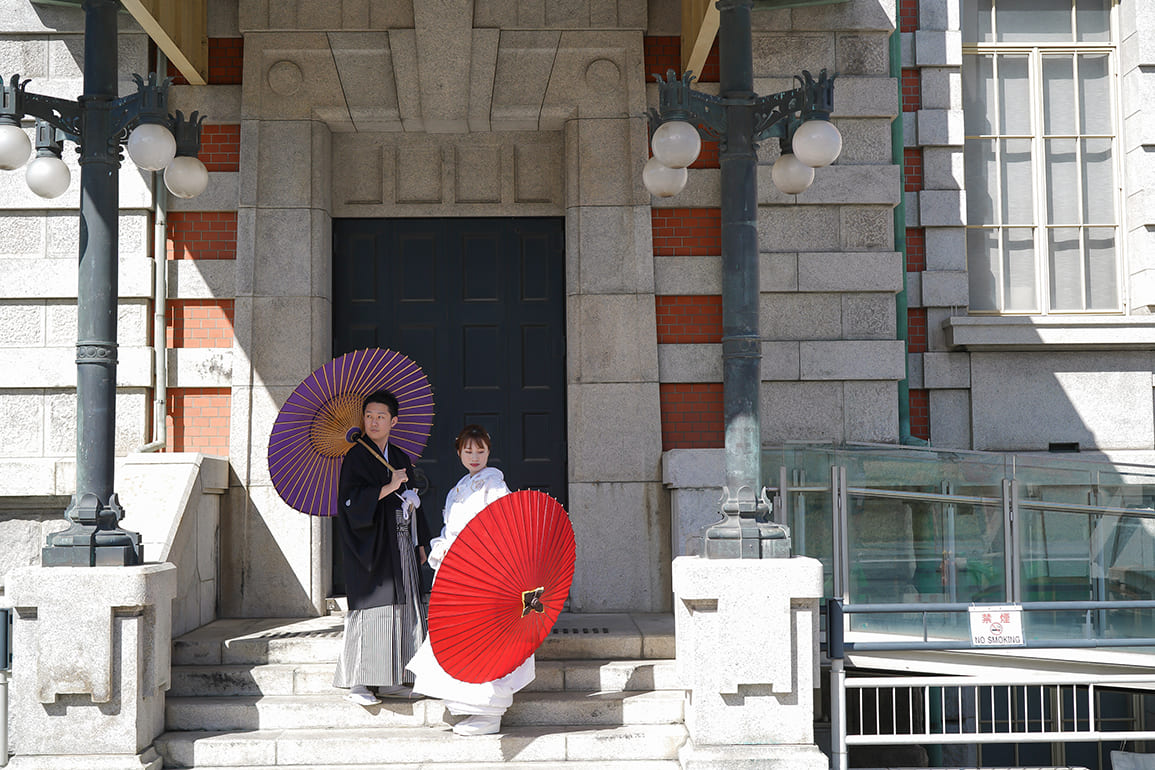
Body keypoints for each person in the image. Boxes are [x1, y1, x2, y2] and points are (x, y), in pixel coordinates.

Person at [406, 424, 534, 736]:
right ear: (459, 453)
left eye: (480, 450)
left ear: (489, 452)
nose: (474, 456)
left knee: (485, 640)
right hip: (457, 571)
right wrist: (442, 549)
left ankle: (489, 714)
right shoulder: (457, 489)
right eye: (468, 451)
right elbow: (450, 530)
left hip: (483, 570)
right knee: (458, 639)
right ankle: (468, 707)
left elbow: (505, 525)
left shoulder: (495, 485)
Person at [334, 389, 431, 706]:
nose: (373, 422)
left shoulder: (399, 456)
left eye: (380, 416)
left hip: (401, 542)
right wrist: (389, 486)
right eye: (369, 416)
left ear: (393, 421)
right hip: (371, 545)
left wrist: (420, 540)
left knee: (404, 609)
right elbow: (350, 503)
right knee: (373, 609)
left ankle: (394, 679)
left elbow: (412, 498)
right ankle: (359, 683)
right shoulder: (356, 457)